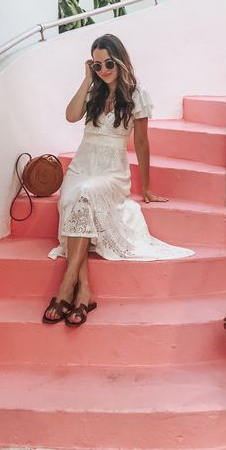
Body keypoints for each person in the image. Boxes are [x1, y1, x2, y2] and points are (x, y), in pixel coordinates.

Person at [42, 34, 195, 327]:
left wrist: (146, 188)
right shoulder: (93, 92)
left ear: (120, 60)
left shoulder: (137, 94)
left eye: (108, 63)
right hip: (81, 167)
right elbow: (70, 115)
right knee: (76, 196)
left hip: (111, 172)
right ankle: (83, 291)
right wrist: (87, 79)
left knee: (84, 195)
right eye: (97, 65)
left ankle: (67, 285)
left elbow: (142, 143)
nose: (103, 70)